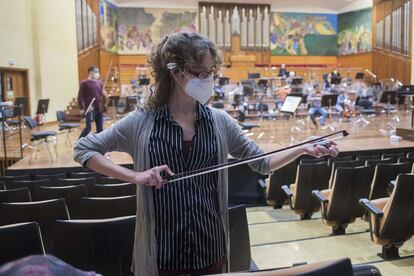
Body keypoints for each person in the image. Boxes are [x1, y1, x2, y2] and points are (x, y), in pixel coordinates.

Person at [73, 32, 339, 276]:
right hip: (162, 253)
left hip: (210, 247)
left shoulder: (220, 121)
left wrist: (302, 148)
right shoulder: (141, 122)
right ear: (175, 72)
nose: (208, 80)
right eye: (199, 73)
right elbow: (84, 149)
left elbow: (262, 163)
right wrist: (136, 176)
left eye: (211, 72)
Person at [77, 65, 105, 138]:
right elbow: (80, 96)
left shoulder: (99, 83)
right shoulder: (84, 83)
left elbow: (100, 95)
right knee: (88, 128)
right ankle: (79, 142)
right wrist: (81, 108)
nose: (97, 73)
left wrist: (104, 94)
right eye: (96, 72)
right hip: (90, 109)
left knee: (100, 129)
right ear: (90, 72)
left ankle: (99, 145)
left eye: (98, 72)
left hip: (99, 109)